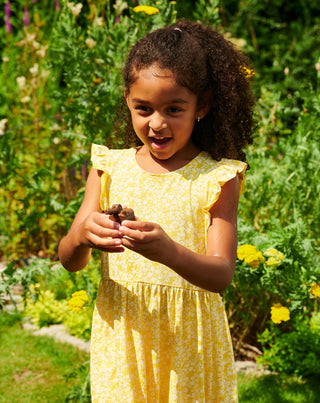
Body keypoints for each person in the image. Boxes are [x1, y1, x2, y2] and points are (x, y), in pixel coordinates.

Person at [58, 19, 255, 402]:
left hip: (190, 346)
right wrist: (81, 236)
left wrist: (169, 251)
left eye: (174, 109)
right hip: (124, 339)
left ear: (204, 106)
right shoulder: (108, 168)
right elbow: (69, 259)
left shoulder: (217, 177)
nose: (157, 123)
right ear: (128, 101)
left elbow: (221, 275)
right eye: (143, 108)